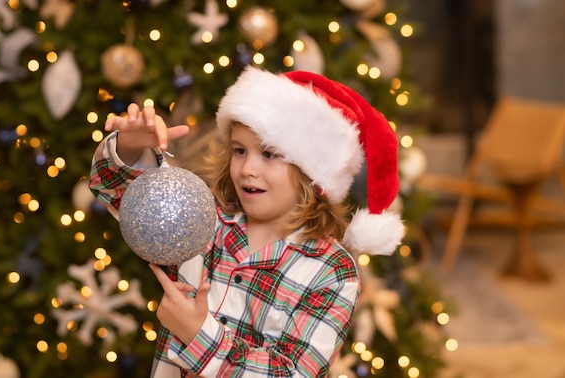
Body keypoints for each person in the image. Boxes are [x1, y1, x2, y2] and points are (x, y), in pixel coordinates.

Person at [89, 66, 404, 377]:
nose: (247, 169)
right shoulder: (206, 218)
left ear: (312, 173)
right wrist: (129, 148)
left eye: (268, 154)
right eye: (240, 150)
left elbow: (292, 373)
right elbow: (127, 197)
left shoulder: (332, 271)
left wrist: (200, 335)